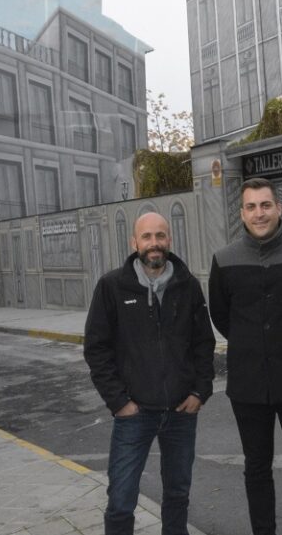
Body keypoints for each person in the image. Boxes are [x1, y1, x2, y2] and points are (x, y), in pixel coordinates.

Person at [84, 212, 216, 535]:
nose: (154, 243)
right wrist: (119, 402)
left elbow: (203, 343)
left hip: (181, 412)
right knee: (121, 497)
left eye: (160, 236)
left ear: (169, 240)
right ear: (134, 242)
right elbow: (96, 349)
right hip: (134, 414)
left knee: (177, 494)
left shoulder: (188, 286)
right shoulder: (112, 287)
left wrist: (200, 391)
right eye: (147, 237)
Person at [208, 178, 282, 535]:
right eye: (251, 207)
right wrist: (252, 344)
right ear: (242, 213)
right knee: (256, 466)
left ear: (279, 208)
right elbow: (221, 315)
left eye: (265, 205)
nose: (259, 213)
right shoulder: (224, 260)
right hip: (248, 385)